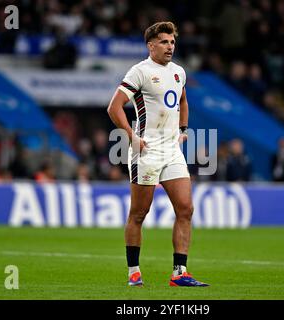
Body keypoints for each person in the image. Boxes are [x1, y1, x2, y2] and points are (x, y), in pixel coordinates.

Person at [107, 21, 208, 287]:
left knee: (185, 209)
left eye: (172, 42)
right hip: (147, 150)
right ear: (151, 45)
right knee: (139, 213)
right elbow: (114, 107)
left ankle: (180, 273)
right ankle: (134, 272)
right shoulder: (140, 71)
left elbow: (183, 100)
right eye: (164, 42)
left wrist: (183, 128)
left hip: (172, 150)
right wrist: (132, 136)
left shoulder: (178, 72)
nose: (170, 46)